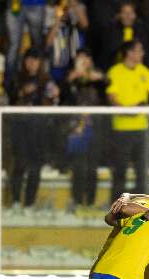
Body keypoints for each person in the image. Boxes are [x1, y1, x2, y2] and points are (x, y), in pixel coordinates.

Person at [8, 48, 59, 212]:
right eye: (29, 59)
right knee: (20, 165)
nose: (32, 63)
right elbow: (11, 97)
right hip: (21, 129)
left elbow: (55, 97)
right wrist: (22, 92)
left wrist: (55, 94)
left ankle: (29, 204)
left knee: (35, 167)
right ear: (25, 62)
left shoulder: (46, 79)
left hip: (40, 130)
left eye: (35, 60)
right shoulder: (17, 78)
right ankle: (16, 202)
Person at [106, 39, 149, 200]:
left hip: (142, 129)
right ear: (129, 53)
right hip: (121, 129)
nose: (142, 53)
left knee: (142, 171)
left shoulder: (145, 72)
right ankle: (116, 206)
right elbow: (112, 98)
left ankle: (140, 207)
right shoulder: (114, 71)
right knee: (119, 169)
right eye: (139, 50)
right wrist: (129, 112)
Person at [60, 49, 105, 212]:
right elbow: (63, 94)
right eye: (80, 58)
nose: (84, 61)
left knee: (92, 167)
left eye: (87, 57)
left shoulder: (97, 76)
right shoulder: (71, 78)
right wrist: (72, 77)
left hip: (94, 127)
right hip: (76, 129)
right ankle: (78, 201)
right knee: (78, 166)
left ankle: (90, 203)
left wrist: (94, 76)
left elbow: (107, 83)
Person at [45, 0, 89, 84]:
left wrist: (74, 6)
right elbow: (48, 43)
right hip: (58, 66)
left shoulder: (77, 11)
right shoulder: (52, 14)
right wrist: (58, 19)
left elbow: (85, 25)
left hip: (75, 64)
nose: (65, 10)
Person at [101, 1, 149, 72]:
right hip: (116, 69)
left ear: (135, 15)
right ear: (119, 15)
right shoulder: (111, 31)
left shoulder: (141, 32)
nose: (128, 16)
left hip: (137, 70)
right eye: (124, 12)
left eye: (131, 13)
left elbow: (147, 56)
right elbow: (106, 55)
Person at [5, 0, 47, 82]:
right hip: (14, 4)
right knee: (13, 46)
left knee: (37, 45)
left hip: (36, 4)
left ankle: (39, 82)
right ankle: (10, 83)